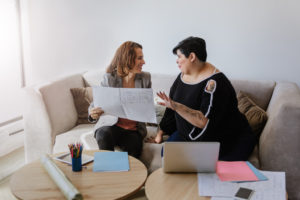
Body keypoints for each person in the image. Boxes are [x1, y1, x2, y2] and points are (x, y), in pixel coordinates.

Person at [147, 36, 255, 161]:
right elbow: (171, 108)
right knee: (167, 155)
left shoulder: (215, 83)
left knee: (210, 169)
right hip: (187, 134)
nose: (177, 61)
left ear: (192, 57)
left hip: (222, 138)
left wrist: (176, 106)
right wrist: (160, 134)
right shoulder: (183, 75)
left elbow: (204, 121)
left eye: (179, 57)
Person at [88, 41, 151, 158]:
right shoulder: (110, 78)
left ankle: (130, 176)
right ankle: (107, 172)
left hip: (133, 129)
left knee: (135, 147)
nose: (144, 62)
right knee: (104, 135)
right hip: (111, 125)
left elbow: (147, 107)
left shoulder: (145, 78)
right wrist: (92, 114)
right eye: (139, 58)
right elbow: (95, 104)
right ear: (128, 59)